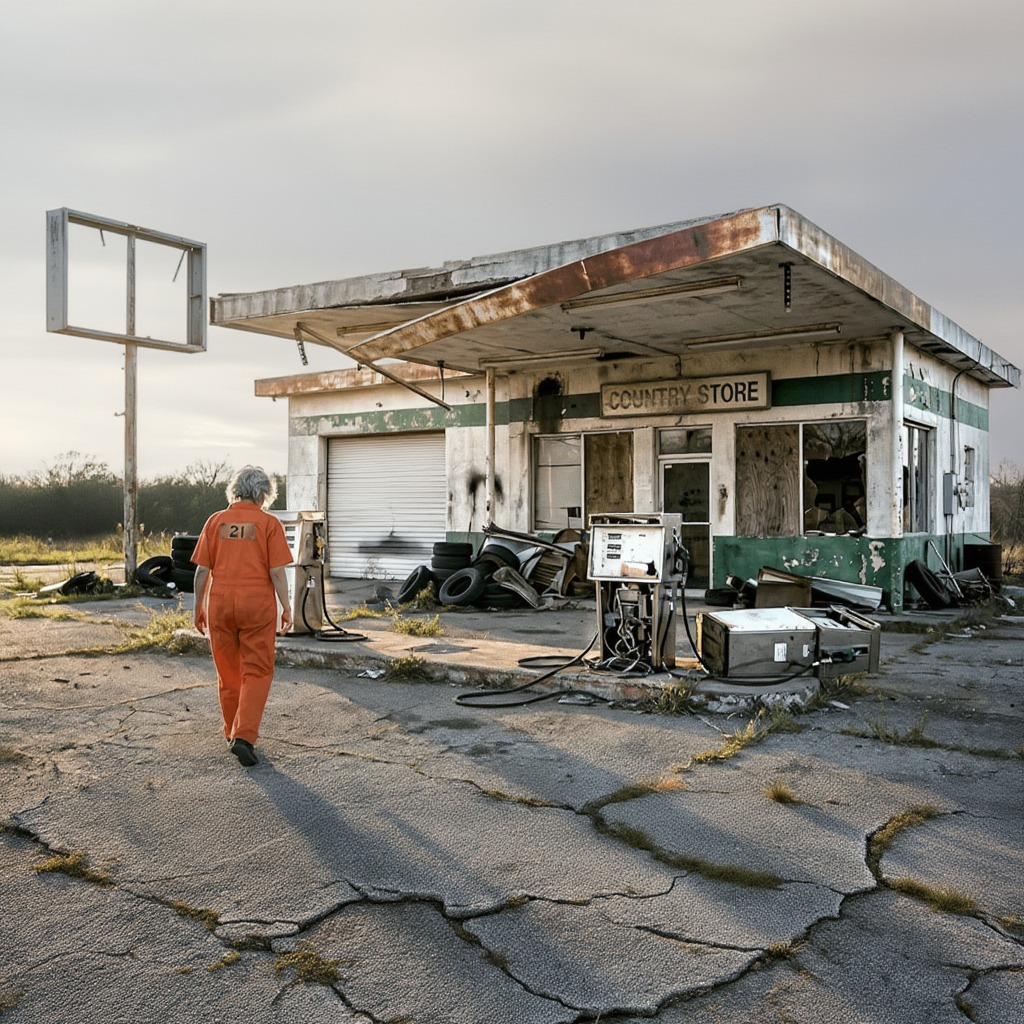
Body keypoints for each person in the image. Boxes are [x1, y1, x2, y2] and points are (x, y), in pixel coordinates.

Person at [191, 466, 292, 767]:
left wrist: (198, 607)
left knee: (228, 671)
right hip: (256, 605)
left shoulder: (216, 521)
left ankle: (230, 731)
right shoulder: (269, 523)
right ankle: (244, 736)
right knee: (257, 670)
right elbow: (277, 572)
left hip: (220, 604)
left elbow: (202, 571)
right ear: (263, 494)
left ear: (235, 490)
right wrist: (286, 607)